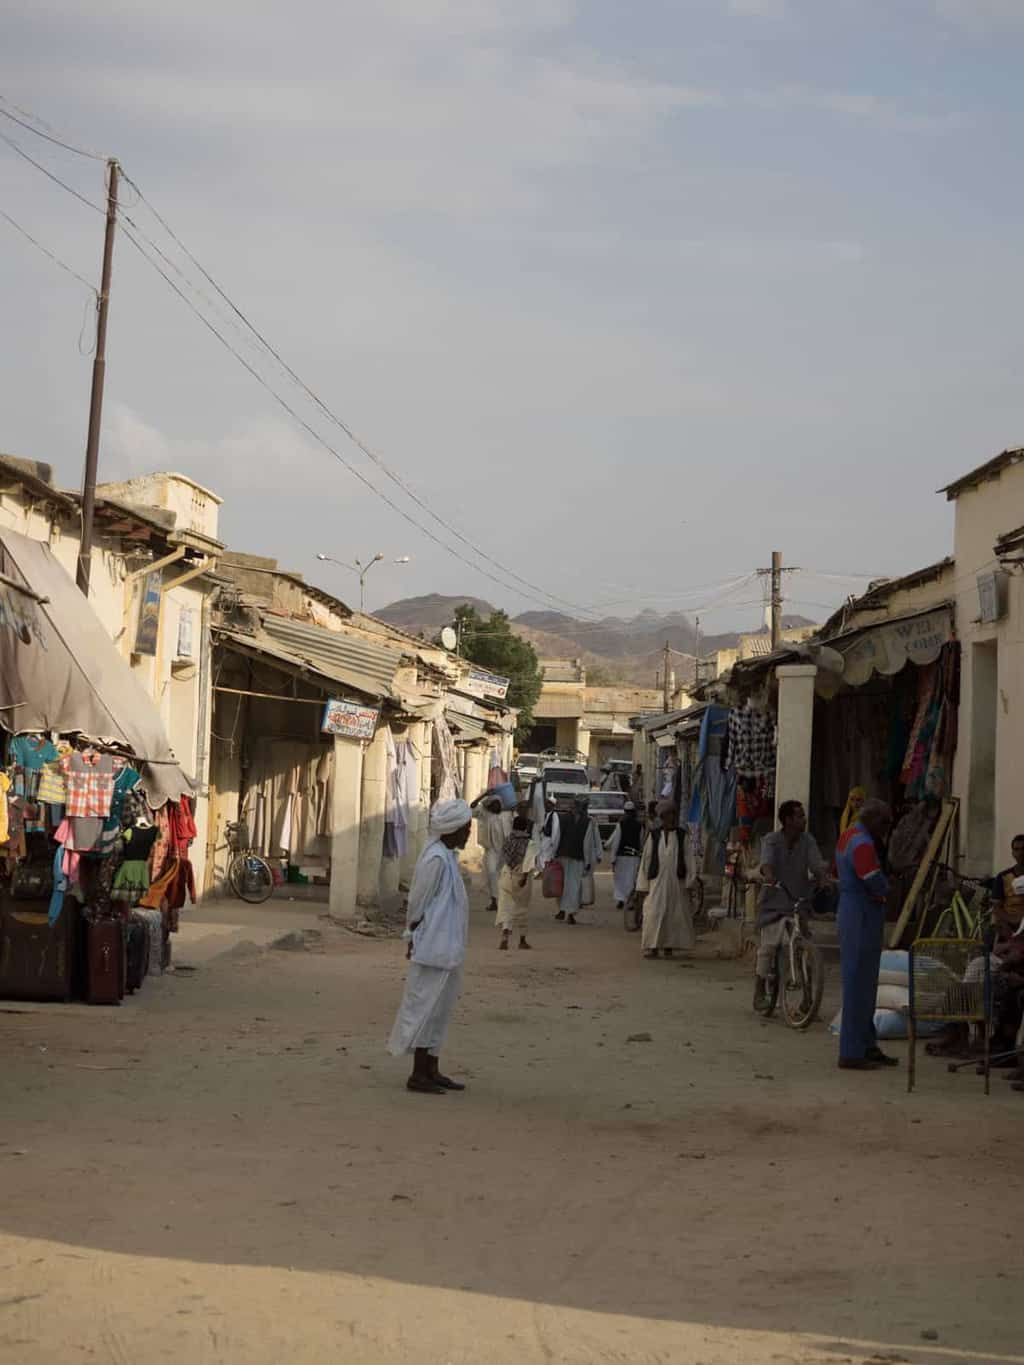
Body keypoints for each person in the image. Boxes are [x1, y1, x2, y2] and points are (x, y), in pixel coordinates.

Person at [388, 798, 473, 1095]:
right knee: (424, 1008)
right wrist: (411, 935)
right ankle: (418, 1073)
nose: (468, 834)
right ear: (451, 829)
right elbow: (417, 903)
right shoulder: (435, 858)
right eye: (465, 828)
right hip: (432, 945)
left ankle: (432, 1068)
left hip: (448, 947)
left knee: (440, 1010)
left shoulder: (448, 855)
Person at [835, 798, 896, 1071]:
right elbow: (871, 878)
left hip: (854, 911)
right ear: (873, 819)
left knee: (865, 984)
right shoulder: (862, 843)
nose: (885, 830)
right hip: (861, 913)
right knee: (859, 985)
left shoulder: (849, 835)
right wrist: (887, 889)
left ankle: (866, 1044)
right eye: (884, 823)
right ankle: (851, 1052)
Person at [754, 800, 829, 1012]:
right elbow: (766, 863)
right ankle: (759, 990)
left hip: (798, 902)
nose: (804, 820)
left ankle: (808, 997)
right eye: (799, 816)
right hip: (774, 901)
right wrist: (768, 876)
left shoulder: (808, 841)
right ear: (787, 820)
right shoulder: (771, 840)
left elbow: (816, 864)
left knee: (803, 948)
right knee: (768, 947)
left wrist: (822, 877)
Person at [636, 800, 693, 959]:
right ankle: (653, 947)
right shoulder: (654, 836)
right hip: (657, 882)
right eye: (667, 815)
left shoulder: (682, 836)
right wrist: (643, 885)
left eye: (673, 815)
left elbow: (689, 859)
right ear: (662, 817)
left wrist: (690, 881)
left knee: (674, 914)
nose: (671, 818)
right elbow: (646, 860)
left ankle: (669, 946)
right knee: (654, 912)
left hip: (676, 882)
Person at [555, 795, 602, 925]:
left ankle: (566, 911)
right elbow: (557, 837)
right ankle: (567, 911)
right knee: (570, 885)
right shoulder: (584, 821)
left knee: (568, 885)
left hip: (570, 856)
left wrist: (596, 856)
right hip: (570, 857)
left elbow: (594, 841)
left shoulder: (586, 821)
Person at [496, 804, 536, 951]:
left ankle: (505, 937)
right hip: (522, 878)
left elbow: (503, 857)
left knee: (506, 908)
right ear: (526, 827)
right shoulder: (530, 843)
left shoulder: (508, 840)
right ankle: (522, 940)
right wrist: (524, 878)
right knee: (522, 909)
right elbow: (529, 863)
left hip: (506, 875)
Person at [473, 794, 510, 913]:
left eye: (498, 804)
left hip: (504, 850)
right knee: (492, 873)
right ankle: (494, 900)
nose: (496, 806)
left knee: (502, 875)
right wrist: (483, 796)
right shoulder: (485, 815)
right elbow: (472, 807)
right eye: (494, 804)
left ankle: (502, 901)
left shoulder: (505, 816)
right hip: (491, 850)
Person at [606, 801, 644, 910]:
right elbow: (641, 842)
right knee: (631, 879)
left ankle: (622, 899)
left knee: (620, 879)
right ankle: (629, 900)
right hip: (634, 857)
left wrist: (613, 858)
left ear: (625, 811)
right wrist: (640, 855)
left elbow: (616, 842)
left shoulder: (621, 824)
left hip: (621, 856)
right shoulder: (639, 825)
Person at [990, 835, 1024, 940]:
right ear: (1013, 853)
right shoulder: (1003, 877)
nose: (1021, 853)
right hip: (1010, 926)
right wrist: (1011, 920)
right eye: (1017, 849)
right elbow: (997, 908)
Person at [536, 796, 560, 870]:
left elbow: (555, 830)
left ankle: (545, 871)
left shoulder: (554, 815)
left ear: (552, 805)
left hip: (549, 840)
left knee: (546, 857)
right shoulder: (546, 814)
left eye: (548, 803)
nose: (546, 805)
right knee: (542, 854)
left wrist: (553, 842)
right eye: (546, 803)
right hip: (544, 839)